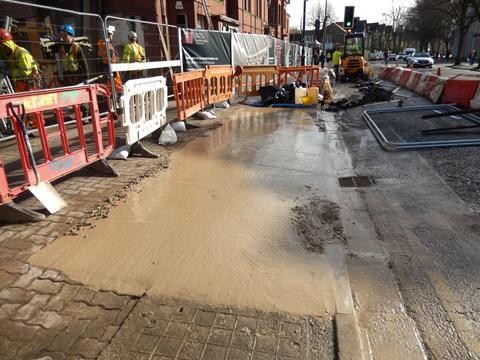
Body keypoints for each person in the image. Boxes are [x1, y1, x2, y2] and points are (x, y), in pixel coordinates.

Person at [97, 26, 122, 95]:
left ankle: (115, 97)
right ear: (109, 35)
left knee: (114, 85)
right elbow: (106, 57)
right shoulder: (104, 44)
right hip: (109, 68)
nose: (112, 37)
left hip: (112, 68)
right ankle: (113, 98)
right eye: (112, 35)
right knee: (111, 86)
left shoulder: (107, 44)